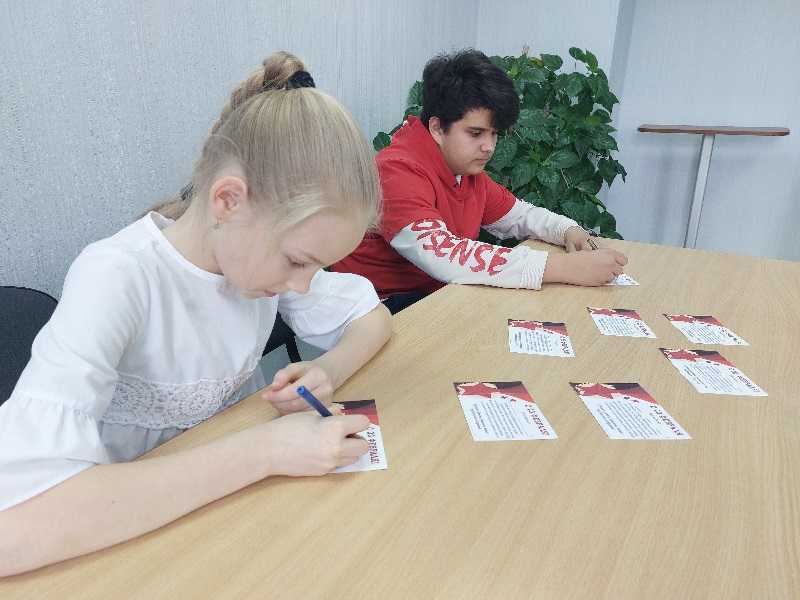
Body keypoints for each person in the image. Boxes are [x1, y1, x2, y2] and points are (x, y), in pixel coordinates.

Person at [0, 52, 391, 576]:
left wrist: (328, 369)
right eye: (299, 261)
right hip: (115, 548)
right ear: (228, 201)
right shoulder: (116, 277)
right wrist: (265, 452)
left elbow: (372, 319)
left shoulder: (253, 264)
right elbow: (15, 527)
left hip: (221, 520)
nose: (302, 284)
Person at [332, 49, 628, 313]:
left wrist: (568, 230)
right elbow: (443, 256)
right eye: (475, 133)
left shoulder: (464, 169)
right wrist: (566, 267)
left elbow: (519, 215)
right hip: (380, 308)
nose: (489, 146)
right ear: (437, 128)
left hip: (436, 295)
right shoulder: (396, 170)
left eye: (494, 134)